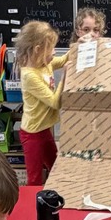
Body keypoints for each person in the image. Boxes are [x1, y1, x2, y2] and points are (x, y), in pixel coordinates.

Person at [15, 20, 68, 185]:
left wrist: (77, 47)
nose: (54, 52)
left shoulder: (44, 63)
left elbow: (63, 60)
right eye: (51, 48)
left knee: (56, 168)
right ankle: (35, 208)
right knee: (35, 179)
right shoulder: (29, 75)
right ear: (38, 50)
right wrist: (65, 77)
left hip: (44, 130)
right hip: (32, 134)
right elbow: (54, 102)